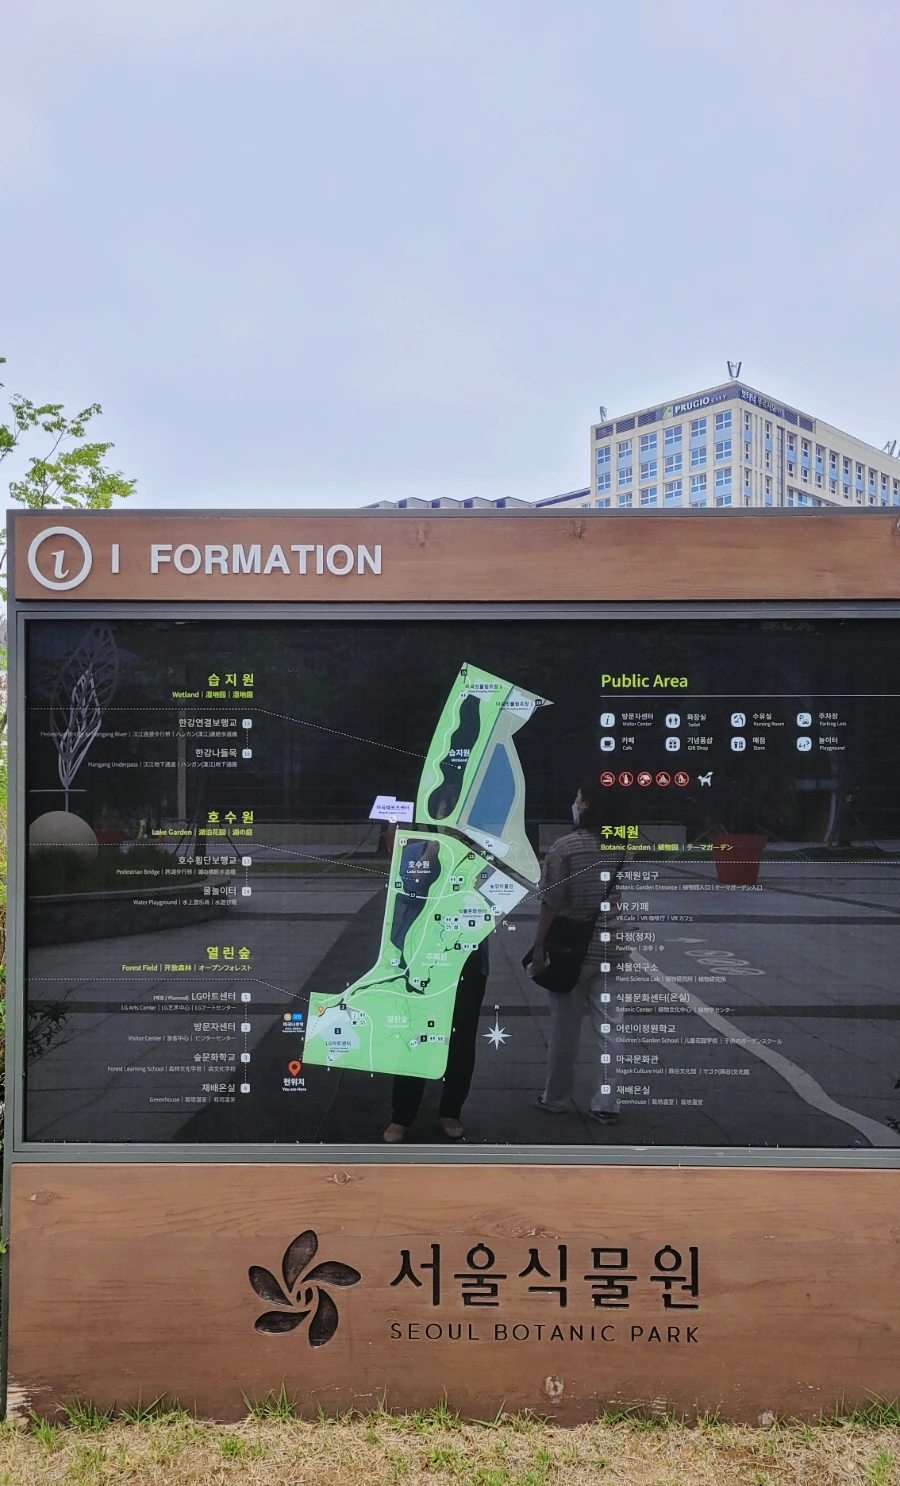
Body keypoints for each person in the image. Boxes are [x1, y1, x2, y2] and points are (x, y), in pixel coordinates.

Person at [531, 781, 626, 1124]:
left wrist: (539, 948)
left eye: (578, 797)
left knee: (565, 1029)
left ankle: (555, 1097)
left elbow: (551, 902)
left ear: (586, 805)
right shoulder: (621, 845)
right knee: (611, 1028)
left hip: (572, 951)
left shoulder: (565, 847)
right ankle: (607, 1103)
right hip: (612, 948)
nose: (574, 802)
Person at [382, 943, 489, 1142]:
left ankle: (451, 1112)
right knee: (414, 1037)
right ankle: (401, 1116)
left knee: (461, 1039)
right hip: (420, 957)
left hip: (466, 958)